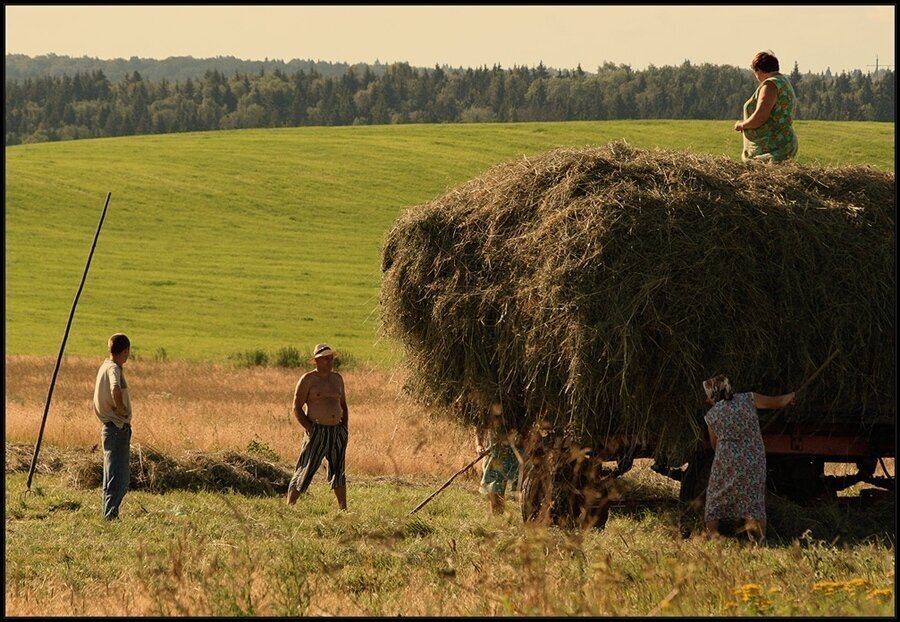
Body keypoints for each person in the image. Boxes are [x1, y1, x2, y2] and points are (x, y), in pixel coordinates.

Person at [702, 374, 796, 541]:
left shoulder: (712, 415)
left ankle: (714, 537)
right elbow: (777, 402)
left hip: (726, 461)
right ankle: (759, 540)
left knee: (716, 498)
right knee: (753, 499)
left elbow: (714, 444)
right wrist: (791, 396)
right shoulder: (748, 399)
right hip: (753, 459)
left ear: (713, 394)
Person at [286, 343, 349, 510]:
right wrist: (310, 428)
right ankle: (290, 506)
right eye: (326, 359)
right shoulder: (308, 379)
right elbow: (297, 407)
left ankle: (343, 508)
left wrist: (344, 428)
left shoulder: (337, 379)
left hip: (337, 431)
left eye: (331, 358)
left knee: (338, 471)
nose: (330, 361)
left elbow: (343, 404)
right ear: (317, 361)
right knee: (306, 468)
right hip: (317, 431)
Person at [93, 333, 133, 520]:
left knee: (110, 474)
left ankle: (108, 513)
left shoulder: (104, 366)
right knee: (120, 476)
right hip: (117, 427)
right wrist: (122, 409)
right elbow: (115, 388)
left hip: (108, 428)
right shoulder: (114, 369)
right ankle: (110, 515)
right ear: (125, 351)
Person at [734, 50, 798, 163]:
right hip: (782, 142)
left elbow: (760, 116)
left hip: (772, 148)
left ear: (759, 70)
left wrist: (742, 125)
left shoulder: (770, 85)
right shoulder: (783, 82)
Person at [473, 415, 522, 515]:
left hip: (517, 454)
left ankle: (531, 521)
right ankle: (497, 521)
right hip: (495, 454)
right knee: (494, 488)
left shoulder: (520, 410)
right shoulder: (491, 408)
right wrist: (479, 444)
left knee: (523, 487)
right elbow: (479, 424)